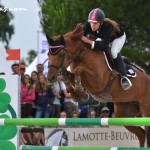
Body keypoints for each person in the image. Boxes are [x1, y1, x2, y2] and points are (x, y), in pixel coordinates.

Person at [81, 8, 132, 90]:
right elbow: (79, 37)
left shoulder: (108, 27)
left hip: (118, 38)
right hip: (104, 38)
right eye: (91, 23)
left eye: (95, 23)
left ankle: (124, 78)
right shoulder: (87, 25)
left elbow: (104, 47)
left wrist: (89, 41)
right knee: (94, 47)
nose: (92, 26)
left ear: (101, 23)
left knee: (113, 51)